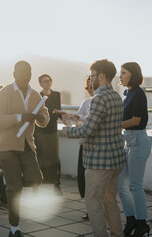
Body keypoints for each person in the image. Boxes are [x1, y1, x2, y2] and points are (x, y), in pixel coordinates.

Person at [62, 59, 126, 237]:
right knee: (110, 201)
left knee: (93, 202)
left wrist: (67, 131)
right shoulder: (116, 97)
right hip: (116, 159)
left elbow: (88, 130)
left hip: (99, 162)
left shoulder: (98, 99)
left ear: (101, 76)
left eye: (92, 76)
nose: (90, 80)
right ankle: (117, 234)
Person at [0, 61, 49, 237]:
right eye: (22, 73)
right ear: (14, 73)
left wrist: (40, 117)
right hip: (6, 146)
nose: (26, 77)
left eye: (29, 73)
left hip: (27, 146)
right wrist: (19, 117)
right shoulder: (4, 93)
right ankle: (14, 228)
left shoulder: (35, 94)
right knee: (15, 188)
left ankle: (4, 180)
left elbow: (45, 116)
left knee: (36, 180)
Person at [118, 62, 152, 237]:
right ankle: (130, 219)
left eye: (124, 73)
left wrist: (115, 125)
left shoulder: (138, 93)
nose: (120, 76)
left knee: (135, 185)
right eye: (120, 73)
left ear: (133, 74)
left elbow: (136, 120)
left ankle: (142, 223)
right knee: (120, 184)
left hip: (138, 140)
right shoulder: (128, 93)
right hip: (128, 140)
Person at [61, 76, 94, 220]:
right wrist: (69, 119)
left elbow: (85, 120)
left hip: (96, 146)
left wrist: (79, 119)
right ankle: (90, 209)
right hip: (85, 144)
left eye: (93, 87)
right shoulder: (86, 102)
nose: (91, 90)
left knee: (95, 181)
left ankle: (99, 209)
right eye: (89, 88)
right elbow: (77, 120)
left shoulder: (100, 101)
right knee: (84, 178)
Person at [33, 74, 63, 195]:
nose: (47, 83)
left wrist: (65, 117)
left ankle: (56, 184)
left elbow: (58, 111)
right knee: (39, 158)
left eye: (49, 80)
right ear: (40, 83)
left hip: (53, 130)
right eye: (44, 81)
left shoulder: (57, 95)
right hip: (40, 131)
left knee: (55, 159)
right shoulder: (38, 96)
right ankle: (36, 186)